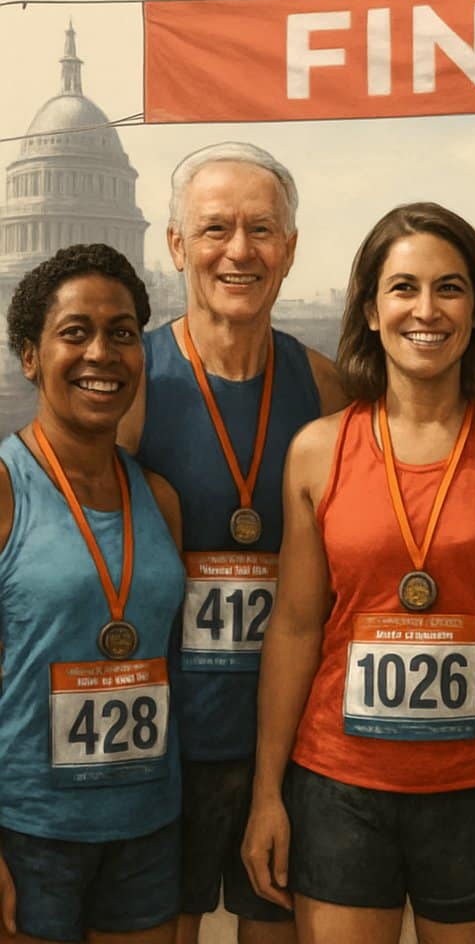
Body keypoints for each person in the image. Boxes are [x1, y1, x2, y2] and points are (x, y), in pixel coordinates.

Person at [241, 202, 475, 943]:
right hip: (339, 785)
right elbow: (293, 628)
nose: (427, 309)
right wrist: (268, 792)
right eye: (404, 288)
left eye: (450, 288)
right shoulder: (318, 451)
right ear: (370, 307)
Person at [118, 142, 345, 944]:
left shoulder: (327, 388)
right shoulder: (131, 385)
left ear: (290, 248)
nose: (240, 251)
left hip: (289, 748)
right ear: (177, 246)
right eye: (215, 229)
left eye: (262, 229)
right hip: (160, 747)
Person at [0, 244, 185, 942]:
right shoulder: (3, 489)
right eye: (74, 333)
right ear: (29, 355)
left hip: (147, 825)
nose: (101, 354)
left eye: (123, 333)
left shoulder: (160, 501)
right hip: (29, 833)